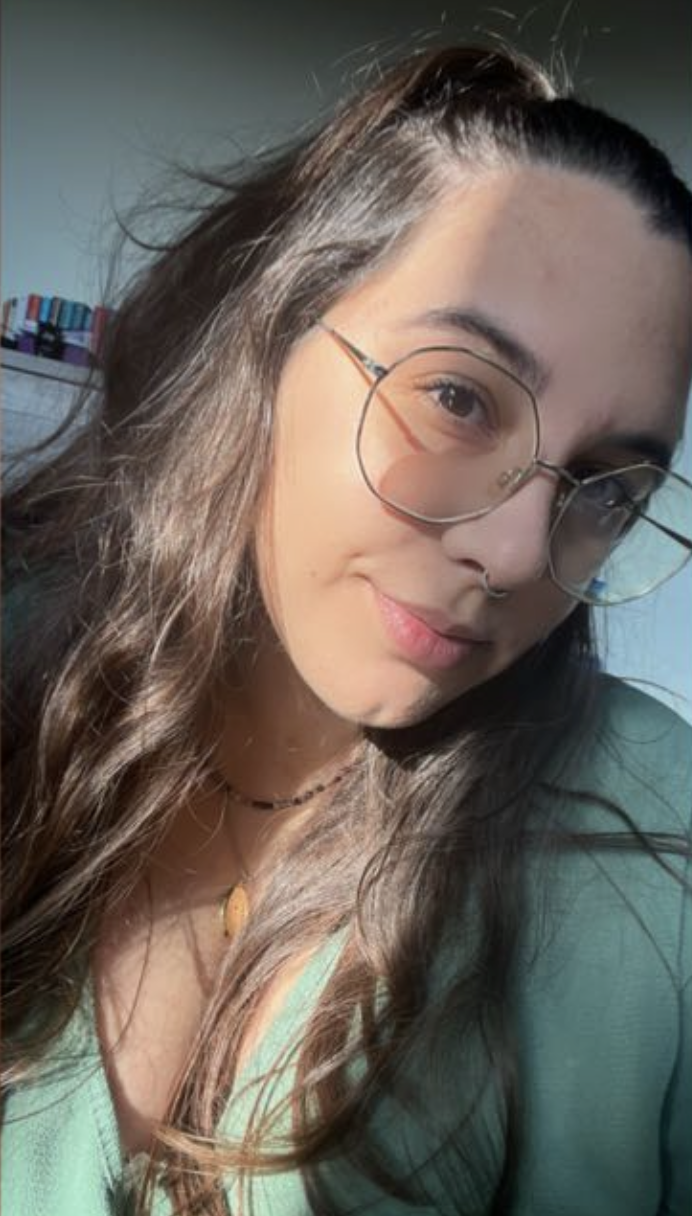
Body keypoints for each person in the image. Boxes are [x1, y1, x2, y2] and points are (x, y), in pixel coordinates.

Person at [2, 40, 692, 1216]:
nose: (513, 553)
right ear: (269, 331)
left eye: (602, 488)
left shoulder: (652, 844)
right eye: (457, 397)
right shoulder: (25, 657)